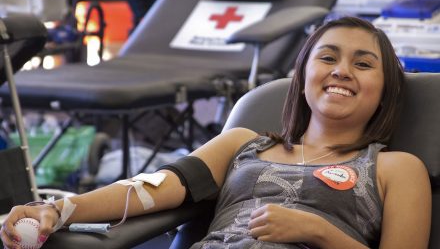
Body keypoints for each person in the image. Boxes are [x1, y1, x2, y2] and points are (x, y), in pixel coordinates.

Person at [1, 16, 431, 249]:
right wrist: (59, 211)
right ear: (302, 78)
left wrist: (319, 232)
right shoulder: (242, 144)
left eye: (362, 63)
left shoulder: (396, 168)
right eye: (328, 57)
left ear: (385, 90)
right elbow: (149, 188)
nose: (341, 70)